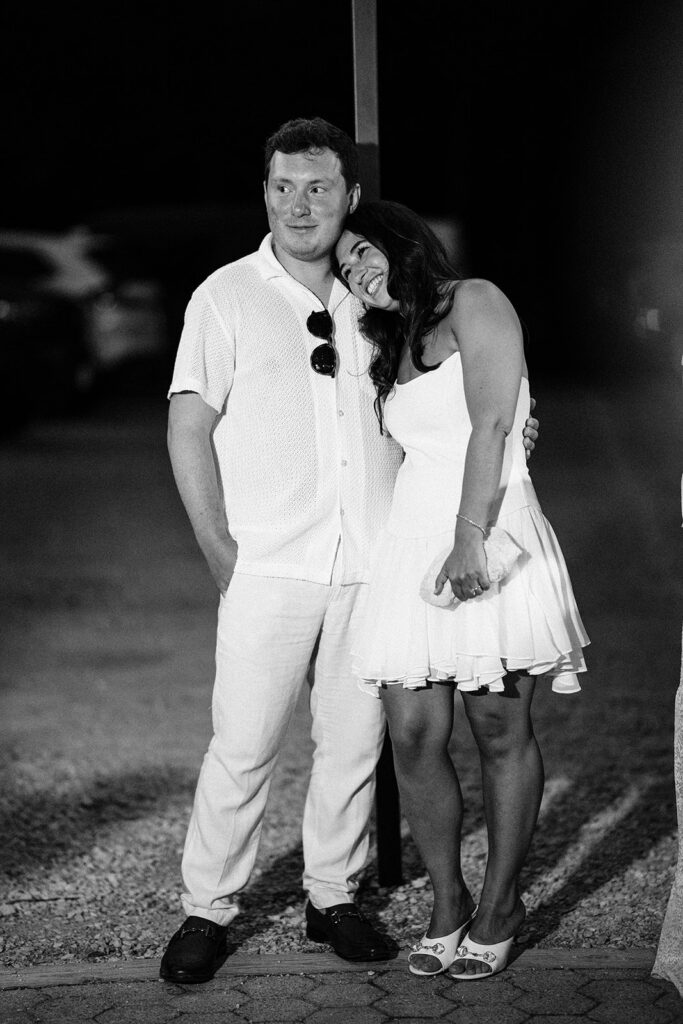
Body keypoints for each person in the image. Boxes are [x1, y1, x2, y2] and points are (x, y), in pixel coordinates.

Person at [160, 118, 540, 984]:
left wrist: (520, 421)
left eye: (318, 187)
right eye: (284, 185)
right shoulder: (224, 294)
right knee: (243, 743)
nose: (300, 204)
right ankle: (208, 909)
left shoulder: (375, 292)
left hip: (374, 566)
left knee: (353, 743)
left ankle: (331, 896)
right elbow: (188, 424)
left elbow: (458, 395)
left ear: (350, 197)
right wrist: (221, 548)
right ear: (263, 191)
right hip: (269, 561)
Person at [335, 200, 589, 981]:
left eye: (363, 252)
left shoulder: (473, 299)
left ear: (401, 241)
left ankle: (498, 905)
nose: (356, 273)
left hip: (485, 528)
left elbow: (489, 426)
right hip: (412, 540)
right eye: (346, 269)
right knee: (411, 733)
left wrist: (471, 535)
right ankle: (445, 902)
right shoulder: (388, 340)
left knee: (497, 729)